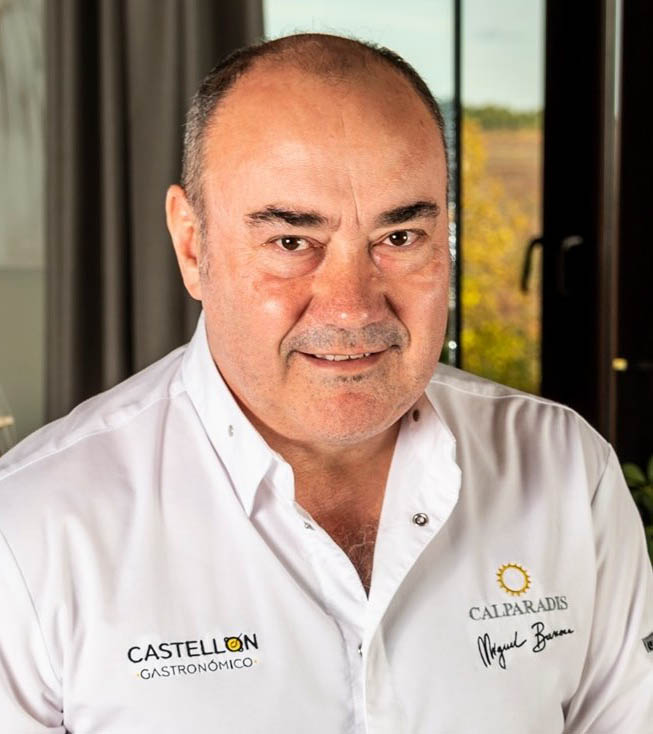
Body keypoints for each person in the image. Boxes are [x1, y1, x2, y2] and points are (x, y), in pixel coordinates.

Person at [0, 33, 651, 733]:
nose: (351, 308)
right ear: (192, 244)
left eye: (398, 238)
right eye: (291, 242)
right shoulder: (32, 529)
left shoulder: (564, 470)